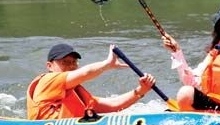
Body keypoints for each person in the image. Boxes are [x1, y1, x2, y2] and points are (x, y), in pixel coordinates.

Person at [27, 43, 156, 120]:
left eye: (74, 62)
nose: (71, 66)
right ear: (49, 66)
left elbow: (113, 105)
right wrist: (107, 64)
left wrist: (141, 91)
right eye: (65, 62)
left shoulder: (76, 92)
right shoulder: (48, 80)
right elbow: (85, 73)